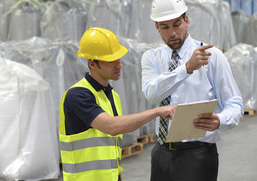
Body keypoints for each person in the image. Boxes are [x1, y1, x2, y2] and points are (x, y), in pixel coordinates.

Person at [141, 0, 244, 181]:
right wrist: (186, 68)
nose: (172, 33)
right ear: (156, 26)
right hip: (161, 154)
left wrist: (220, 120)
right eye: (165, 27)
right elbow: (151, 94)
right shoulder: (151, 58)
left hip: (198, 155)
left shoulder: (212, 57)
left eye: (177, 24)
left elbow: (235, 103)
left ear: (186, 20)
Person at [59, 27, 175, 181]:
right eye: (110, 60)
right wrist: (156, 111)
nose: (119, 65)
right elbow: (111, 126)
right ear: (91, 63)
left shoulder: (112, 96)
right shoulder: (77, 95)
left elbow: (111, 144)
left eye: (119, 58)